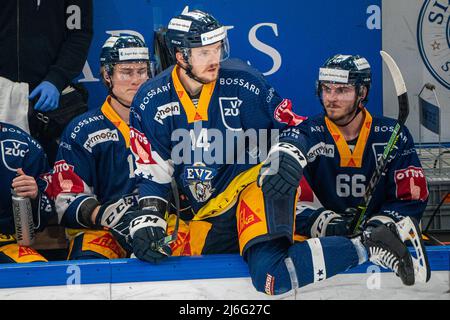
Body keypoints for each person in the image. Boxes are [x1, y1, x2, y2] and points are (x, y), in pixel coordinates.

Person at [121, 9, 429, 296]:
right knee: (149, 255)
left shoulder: (244, 82)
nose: (215, 58)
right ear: (180, 56)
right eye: (204, 52)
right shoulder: (150, 100)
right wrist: (148, 216)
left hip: (253, 189)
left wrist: (287, 154)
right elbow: (152, 172)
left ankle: (370, 244)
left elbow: (297, 127)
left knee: (271, 278)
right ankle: (364, 242)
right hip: (208, 212)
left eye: (218, 48)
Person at [255, 54, 430, 294]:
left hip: (384, 244)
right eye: (326, 89)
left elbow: (412, 198)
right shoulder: (310, 132)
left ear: (362, 93)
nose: (331, 98)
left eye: (342, 90)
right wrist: (328, 223)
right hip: (326, 245)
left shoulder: (392, 134)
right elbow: (292, 150)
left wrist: (380, 225)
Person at [45, 35, 153, 260]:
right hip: (102, 230)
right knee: (88, 262)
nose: (136, 80)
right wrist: (105, 214)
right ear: (107, 75)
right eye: (126, 72)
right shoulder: (82, 130)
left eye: (141, 71)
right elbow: (66, 198)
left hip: (158, 222)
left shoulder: (165, 123)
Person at [0, 0, 93, 165]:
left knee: (49, 176)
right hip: (2, 90)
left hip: (45, 103)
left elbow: (79, 34)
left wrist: (56, 79)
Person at [0, 121, 55, 263]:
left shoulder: (24, 145)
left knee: (40, 274)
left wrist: (35, 196)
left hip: (6, 241)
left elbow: (48, 208)